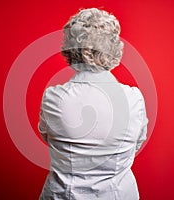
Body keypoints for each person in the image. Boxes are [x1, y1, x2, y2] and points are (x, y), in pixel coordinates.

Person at [38, 8, 148, 200]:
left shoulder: (53, 98)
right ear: (114, 48)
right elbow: (136, 144)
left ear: (70, 50)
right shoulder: (133, 98)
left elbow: (48, 137)